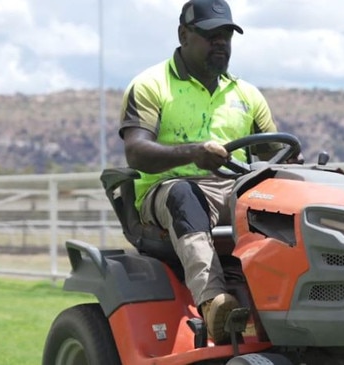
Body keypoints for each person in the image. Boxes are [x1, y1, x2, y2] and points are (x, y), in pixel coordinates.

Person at [118, 0, 281, 345]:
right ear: (184, 35)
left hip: (233, 189)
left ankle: (289, 302)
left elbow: (278, 156)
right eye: (211, 35)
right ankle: (214, 302)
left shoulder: (246, 94)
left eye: (226, 35)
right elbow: (136, 151)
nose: (220, 43)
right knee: (183, 193)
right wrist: (193, 153)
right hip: (166, 191)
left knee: (281, 198)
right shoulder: (151, 85)